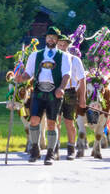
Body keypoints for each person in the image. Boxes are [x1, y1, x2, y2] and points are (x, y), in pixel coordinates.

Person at [15, 26, 69, 165]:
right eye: (48, 37)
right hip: (38, 91)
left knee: (52, 124)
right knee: (33, 120)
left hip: (54, 92)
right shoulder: (35, 55)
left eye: (53, 37)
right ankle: (35, 149)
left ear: (57, 40)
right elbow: (28, 73)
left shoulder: (63, 56)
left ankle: (50, 153)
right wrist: (21, 78)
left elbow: (66, 75)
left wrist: (61, 88)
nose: (51, 39)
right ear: (45, 39)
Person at [56, 33, 87, 159]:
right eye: (59, 45)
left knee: (69, 122)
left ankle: (71, 148)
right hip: (56, 92)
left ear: (68, 46)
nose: (61, 47)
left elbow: (82, 79)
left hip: (70, 92)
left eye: (64, 45)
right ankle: (55, 148)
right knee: (54, 121)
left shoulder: (75, 60)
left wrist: (83, 98)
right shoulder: (53, 60)